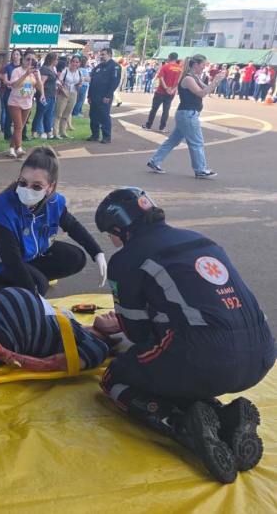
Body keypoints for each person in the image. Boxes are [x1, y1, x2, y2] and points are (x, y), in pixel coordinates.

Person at [94, 188, 275, 484]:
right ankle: (223, 418)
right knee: (173, 363)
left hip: (205, 358)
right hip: (263, 353)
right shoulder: (203, 241)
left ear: (118, 229)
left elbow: (137, 333)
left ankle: (181, 427)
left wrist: (117, 325)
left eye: (109, 235)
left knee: (116, 376)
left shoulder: (126, 259)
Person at [0, 147, 106, 312]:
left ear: (50, 187)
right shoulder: (2, 210)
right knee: (38, 285)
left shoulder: (53, 202)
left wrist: (97, 252)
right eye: (23, 183)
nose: (27, 189)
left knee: (75, 258)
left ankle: (16, 289)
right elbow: (12, 261)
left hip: (23, 253)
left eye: (36, 186)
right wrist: (37, 302)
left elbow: (72, 225)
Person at [146, 54, 223, 179]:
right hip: (188, 114)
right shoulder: (188, 78)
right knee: (196, 142)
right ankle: (200, 169)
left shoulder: (194, 77)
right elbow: (202, 93)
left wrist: (216, 81)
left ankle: (155, 161)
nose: (204, 67)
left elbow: (207, 89)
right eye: (203, 65)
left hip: (186, 114)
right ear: (196, 65)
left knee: (173, 141)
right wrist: (215, 81)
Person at [6, 49, 43, 158]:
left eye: (33, 60)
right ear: (23, 60)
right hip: (15, 102)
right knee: (18, 126)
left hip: (27, 102)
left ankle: (11, 148)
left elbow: (39, 86)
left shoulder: (36, 72)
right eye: (28, 59)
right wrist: (26, 74)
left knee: (20, 127)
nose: (30, 62)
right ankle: (19, 148)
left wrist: (37, 77)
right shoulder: (17, 71)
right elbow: (14, 85)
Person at [86, 48, 120, 144]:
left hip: (104, 95)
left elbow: (114, 83)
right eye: (100, 54)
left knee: (104, 116)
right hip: (94, 95)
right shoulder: (98, 67)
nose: (101, 56)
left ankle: (106, 136)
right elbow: (92, 81)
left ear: (109, 55)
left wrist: (108, 96)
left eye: (103, 54)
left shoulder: (115, 67)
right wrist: (89, 95)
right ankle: (95, 135)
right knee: (93, 116)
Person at [142, 52, 180, 133]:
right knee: (166, 110)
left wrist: (166, 88)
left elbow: (161, 78)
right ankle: (162, 127)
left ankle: (148, 125)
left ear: (169, 57)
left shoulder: (165, 67)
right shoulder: (180, 68)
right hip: (171, 93)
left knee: (154, 109)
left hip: (161, 91)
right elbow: (179, 81)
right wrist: (173, 90)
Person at [53, 54, 83, 139]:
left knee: (67, 114)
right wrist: (62, 89)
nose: (74, 64)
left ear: (79, 63)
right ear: (70, 62)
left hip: (74, 92)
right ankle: (55, 133)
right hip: (64, 92)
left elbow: (81, 82)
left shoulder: (79, 73)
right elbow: (58, 81)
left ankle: (63, 132)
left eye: (77, 62)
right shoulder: (65, 71)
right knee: (59, 113)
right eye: (73, 62)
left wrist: (79, 86)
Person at [31, 52, 59, 140]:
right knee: (40, 113)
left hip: (51, 94)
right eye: (56, 59)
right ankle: (34, 133)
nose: (57, 61)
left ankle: (49, 133)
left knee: (48, 114)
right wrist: (42, 94)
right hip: (45, 95)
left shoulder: (52, 69)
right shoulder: (45, 69)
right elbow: (41, 83)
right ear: (52, 60)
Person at [0, 49, 22, 140]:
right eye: (14, 54)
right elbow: (5, 80)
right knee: (9, 114)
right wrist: (13, 84)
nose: (15, 56)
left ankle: (19, 133)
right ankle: (7, 134)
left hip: (20, 93)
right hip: (9, 91)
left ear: (20, 56)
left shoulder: (22, 67)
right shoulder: (8, 67)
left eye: (17, 54)